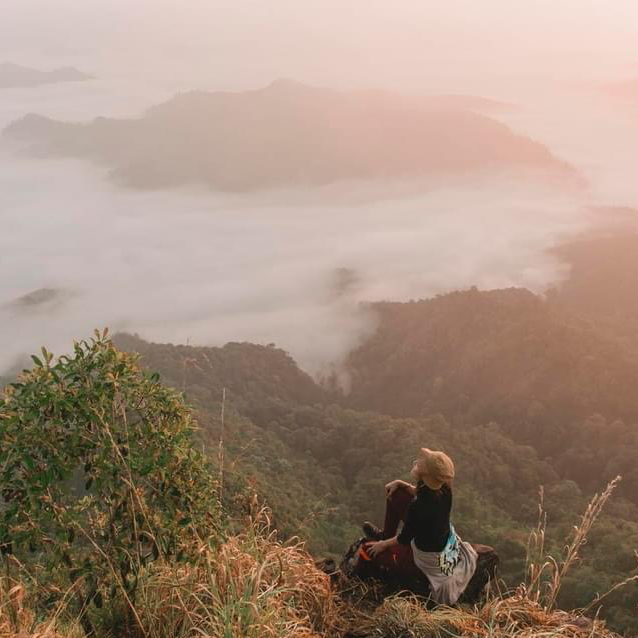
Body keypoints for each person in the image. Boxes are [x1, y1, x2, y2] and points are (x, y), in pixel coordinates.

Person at [363, 447, 479, 605]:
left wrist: (382, 545)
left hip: (425, 556)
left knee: (367, 551)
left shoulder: (419, 506)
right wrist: (400, 483)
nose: (418, 462)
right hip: (437, 539)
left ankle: (384, 542)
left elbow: (404, 539)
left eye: (422, 463)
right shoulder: (444, 488)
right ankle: (385, 533)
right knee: (396, 493)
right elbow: (418, 491)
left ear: (426, 475)